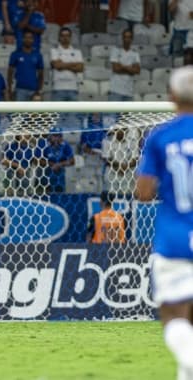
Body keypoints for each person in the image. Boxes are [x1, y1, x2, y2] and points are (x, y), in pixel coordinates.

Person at [135, 66, 193, 380]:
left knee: (174, 317)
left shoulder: (161, 136)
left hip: (174, 239)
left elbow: (144, 193)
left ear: (171, 97)